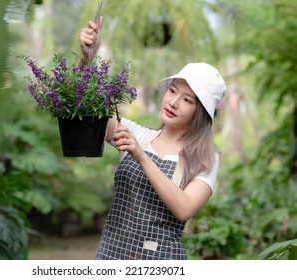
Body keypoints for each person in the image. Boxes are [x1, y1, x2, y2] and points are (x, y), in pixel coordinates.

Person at [79, 18, 226, 260]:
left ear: (200, 113)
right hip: (110, 256)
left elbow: (184, 208)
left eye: (188, 100)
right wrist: (87, 60)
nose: (173, 102)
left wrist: (141, 156)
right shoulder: (139, 135)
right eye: (173, 91)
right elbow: (88, 112)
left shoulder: (206, 158)